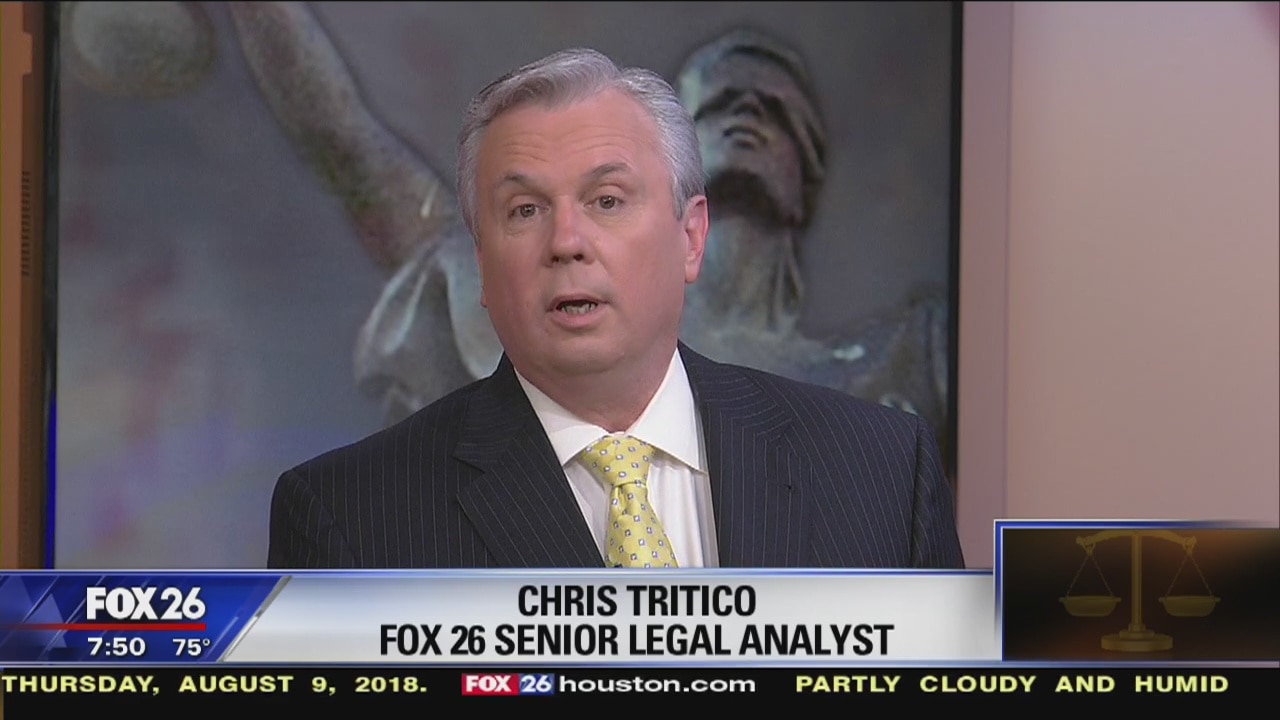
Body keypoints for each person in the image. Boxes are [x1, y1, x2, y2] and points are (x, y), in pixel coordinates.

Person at [267, 47, 963, 570]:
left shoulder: (883, 474)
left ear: (690, 237)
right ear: (481, 262)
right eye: (524, 209)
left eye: (607, 200)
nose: (566, 242)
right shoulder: (347, 519)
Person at [222, 4, 951, 469]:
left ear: (807, 171)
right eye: (723, 102)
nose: (748, 116)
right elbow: (349, 146)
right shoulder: (505, 286)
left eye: (773, 110)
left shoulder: (901, 367)